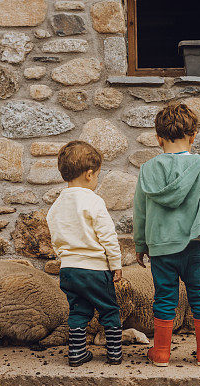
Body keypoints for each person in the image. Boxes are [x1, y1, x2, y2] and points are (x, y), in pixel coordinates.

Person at [133, 102, 200, 367]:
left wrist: (140, 245)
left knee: (164, 298)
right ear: (194, 136)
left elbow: (140, 211)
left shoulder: (147, 170)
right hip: (194, 246)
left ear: (157, 138)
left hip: (160, 248)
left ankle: (162, 353)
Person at [46, 141, 123, 367]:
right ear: (89, 175)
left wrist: (65, 258)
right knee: (109, 309)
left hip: (70, 270)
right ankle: (114, 353)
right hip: (96, 269)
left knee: (78, 310)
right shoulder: (93, 200)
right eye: (97, 175)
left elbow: (55, 236)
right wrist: (115, 264)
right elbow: (108, 235)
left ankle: (77, 353)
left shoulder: (57, 205)